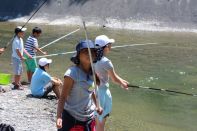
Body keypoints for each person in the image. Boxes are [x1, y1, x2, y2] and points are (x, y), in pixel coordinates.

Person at [56, 40, 102, 131]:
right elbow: (63, 97)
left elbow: (91, 90)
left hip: (89, 117)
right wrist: (59, 117)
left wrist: (98, 105)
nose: (89, 54)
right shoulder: (72, 73)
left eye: (92, 51)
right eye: (85, 51)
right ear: (78, 55)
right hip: (71, 118)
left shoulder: (93, 73)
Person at [94, 35, 129, 131]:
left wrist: (122, 81)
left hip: (93, 92)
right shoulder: (106, 62)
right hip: (103, 94)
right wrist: (122, 84)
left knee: (96, 121)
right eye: (109, 45)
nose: (111, 47)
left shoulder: (90, 58)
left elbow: (114, 76)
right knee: (101, 123)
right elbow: (114, 79)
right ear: (105, 47)